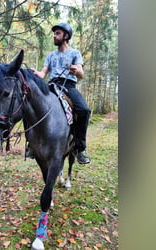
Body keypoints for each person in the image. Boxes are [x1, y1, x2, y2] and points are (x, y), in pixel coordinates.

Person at [30, 22, 91, 164]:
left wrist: (76, 70)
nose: (54, 36)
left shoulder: (75, 53)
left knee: (84, 110)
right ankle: (31, 145)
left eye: (57, 33)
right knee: (31, 104)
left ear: (66, 36)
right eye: (54, 33)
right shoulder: (50, 56)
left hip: (68, 86)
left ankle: (79, 148)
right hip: (51, 85)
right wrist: (35, 72)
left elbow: (81, 74)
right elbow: (43, 74)